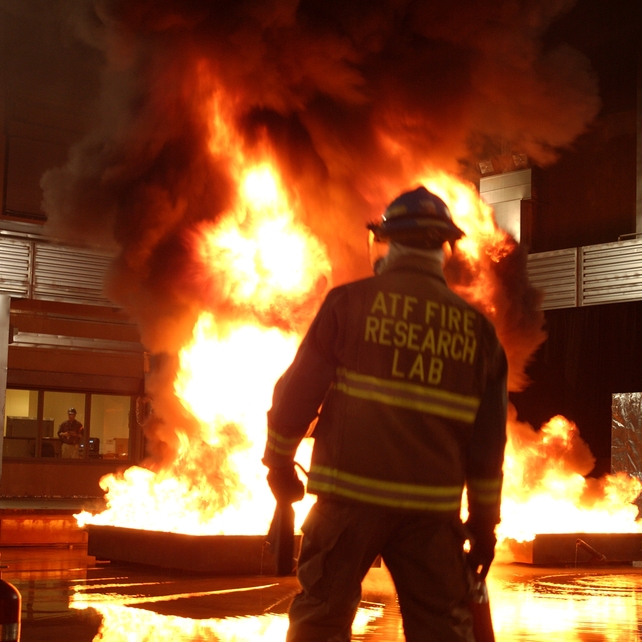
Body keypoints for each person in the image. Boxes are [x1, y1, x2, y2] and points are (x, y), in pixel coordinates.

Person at [263, 186, 508, 642]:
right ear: (445, 249)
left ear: (385, 241)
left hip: (348, 503)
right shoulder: (479, 333)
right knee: (441, 629)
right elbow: (488, 445)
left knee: (321, 618)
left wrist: (278, 463)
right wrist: (483, 526)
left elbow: (295, 396)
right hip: (432, 515)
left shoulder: (349, 303)